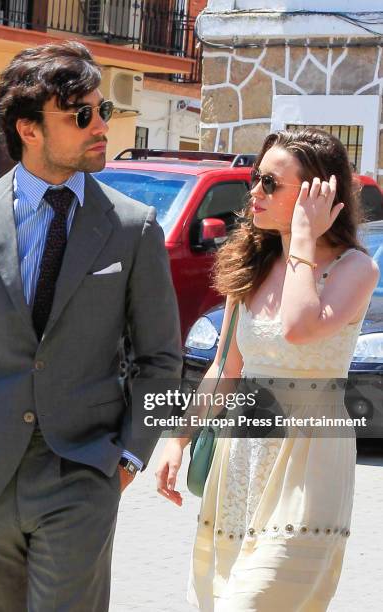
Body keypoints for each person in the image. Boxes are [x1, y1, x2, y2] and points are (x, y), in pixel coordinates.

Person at [0, 40, 182, 611]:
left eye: (102, 110)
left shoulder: (133, 228)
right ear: (29, 129)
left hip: (81, 475)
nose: (101, 125)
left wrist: (129, 459)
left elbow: (159, 358)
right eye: (81, 114)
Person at [156, 128, 380, 611]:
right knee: (222, 595)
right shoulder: (252, 265)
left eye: (271, 184)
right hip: (242, 458)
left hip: (309, 462)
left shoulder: (355, 268)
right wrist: (178, 439)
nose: (254, 192)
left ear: (317, 192)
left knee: (256, 601)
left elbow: (300, 326)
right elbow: (225, 367)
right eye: (257, 180)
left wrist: (302, 236)